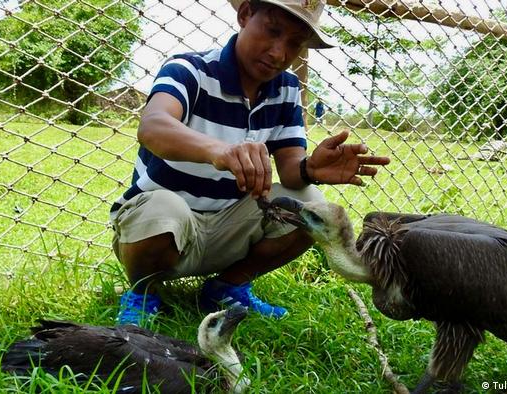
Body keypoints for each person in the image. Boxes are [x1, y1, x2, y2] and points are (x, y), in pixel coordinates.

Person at [110, 0, 391, 326]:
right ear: (245, 15)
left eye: (294, 43)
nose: (278, 53)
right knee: (163, 207)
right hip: (162, 227)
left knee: (311, 206)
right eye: (272, 31)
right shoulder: (191, 70)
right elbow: (153, 126)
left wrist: (309, 169)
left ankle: (226, 287)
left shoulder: (285, 89)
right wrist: (218, 150)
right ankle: (144, 293)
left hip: (228, 224)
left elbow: (290, 168)